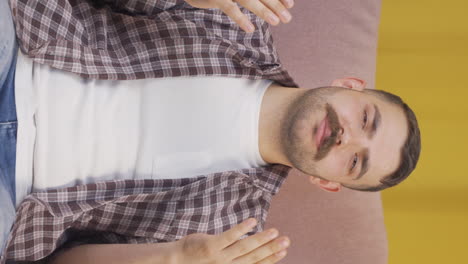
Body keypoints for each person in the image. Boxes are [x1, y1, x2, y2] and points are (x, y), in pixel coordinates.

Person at [0, 0, 421, 262]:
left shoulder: (228, 234)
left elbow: (62, 261)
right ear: (349, 85)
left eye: (354, 161)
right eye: (366, 119)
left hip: (10, 196)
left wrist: (175, 258)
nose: (346, 137)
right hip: (16, 47)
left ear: (325, 182)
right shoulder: (237, 21)